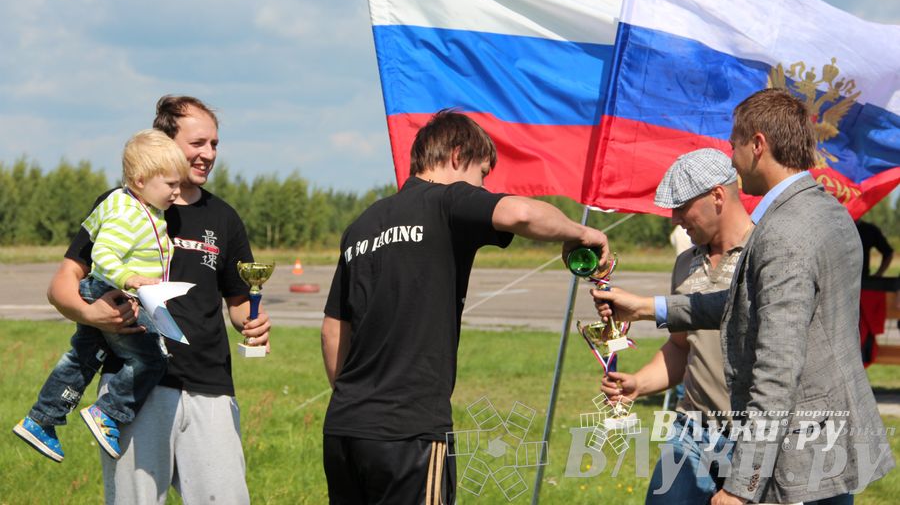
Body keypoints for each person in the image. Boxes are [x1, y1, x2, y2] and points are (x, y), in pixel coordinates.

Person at [594, 88, 894, 504]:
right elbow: (755, 307)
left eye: (733, 145)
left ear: (757, 145)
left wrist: (740, 486)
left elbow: (777, 368)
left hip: (800, 452)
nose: (731, 160)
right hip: (828, 439)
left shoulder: (784, 232)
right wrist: (651, 308)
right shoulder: (827, 211)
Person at [320, 109, 610, 504]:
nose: (483, 186)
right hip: (409, 432)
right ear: (457, 156)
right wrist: (582, 232)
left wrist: (358, 405)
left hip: (344, 429)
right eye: (483, 174)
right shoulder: (448, 200)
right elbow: (521, 213)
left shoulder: (362, 225)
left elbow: (333, 331)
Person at [45, 96, 270, 504]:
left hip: (210, 386)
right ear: (165, 143)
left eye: (214, 144)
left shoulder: (224, 217)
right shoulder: (120, 204)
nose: (208, 154)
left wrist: (252, 322)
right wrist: (91, 313)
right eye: (197, 143)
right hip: (134, 387)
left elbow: (238, 303)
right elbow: (62, 284)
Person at [14, 129, 189, 462]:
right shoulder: (129, 215)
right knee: (151, 359)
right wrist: (129, 278)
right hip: (112, 293)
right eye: (171, 184)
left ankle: (41, 420)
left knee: (83, 357)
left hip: (103, 290)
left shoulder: (135, 206)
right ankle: (108, 411)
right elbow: (103, 254)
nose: (177, 192)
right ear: (140, 181)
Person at [601, 148, 753, 503]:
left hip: (754, 439)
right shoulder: (685, 263)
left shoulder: (764, 255)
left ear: (717, 196)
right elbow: (681, 347)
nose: (674, 219)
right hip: (692, 430)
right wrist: (639, 383)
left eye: (682, 207)